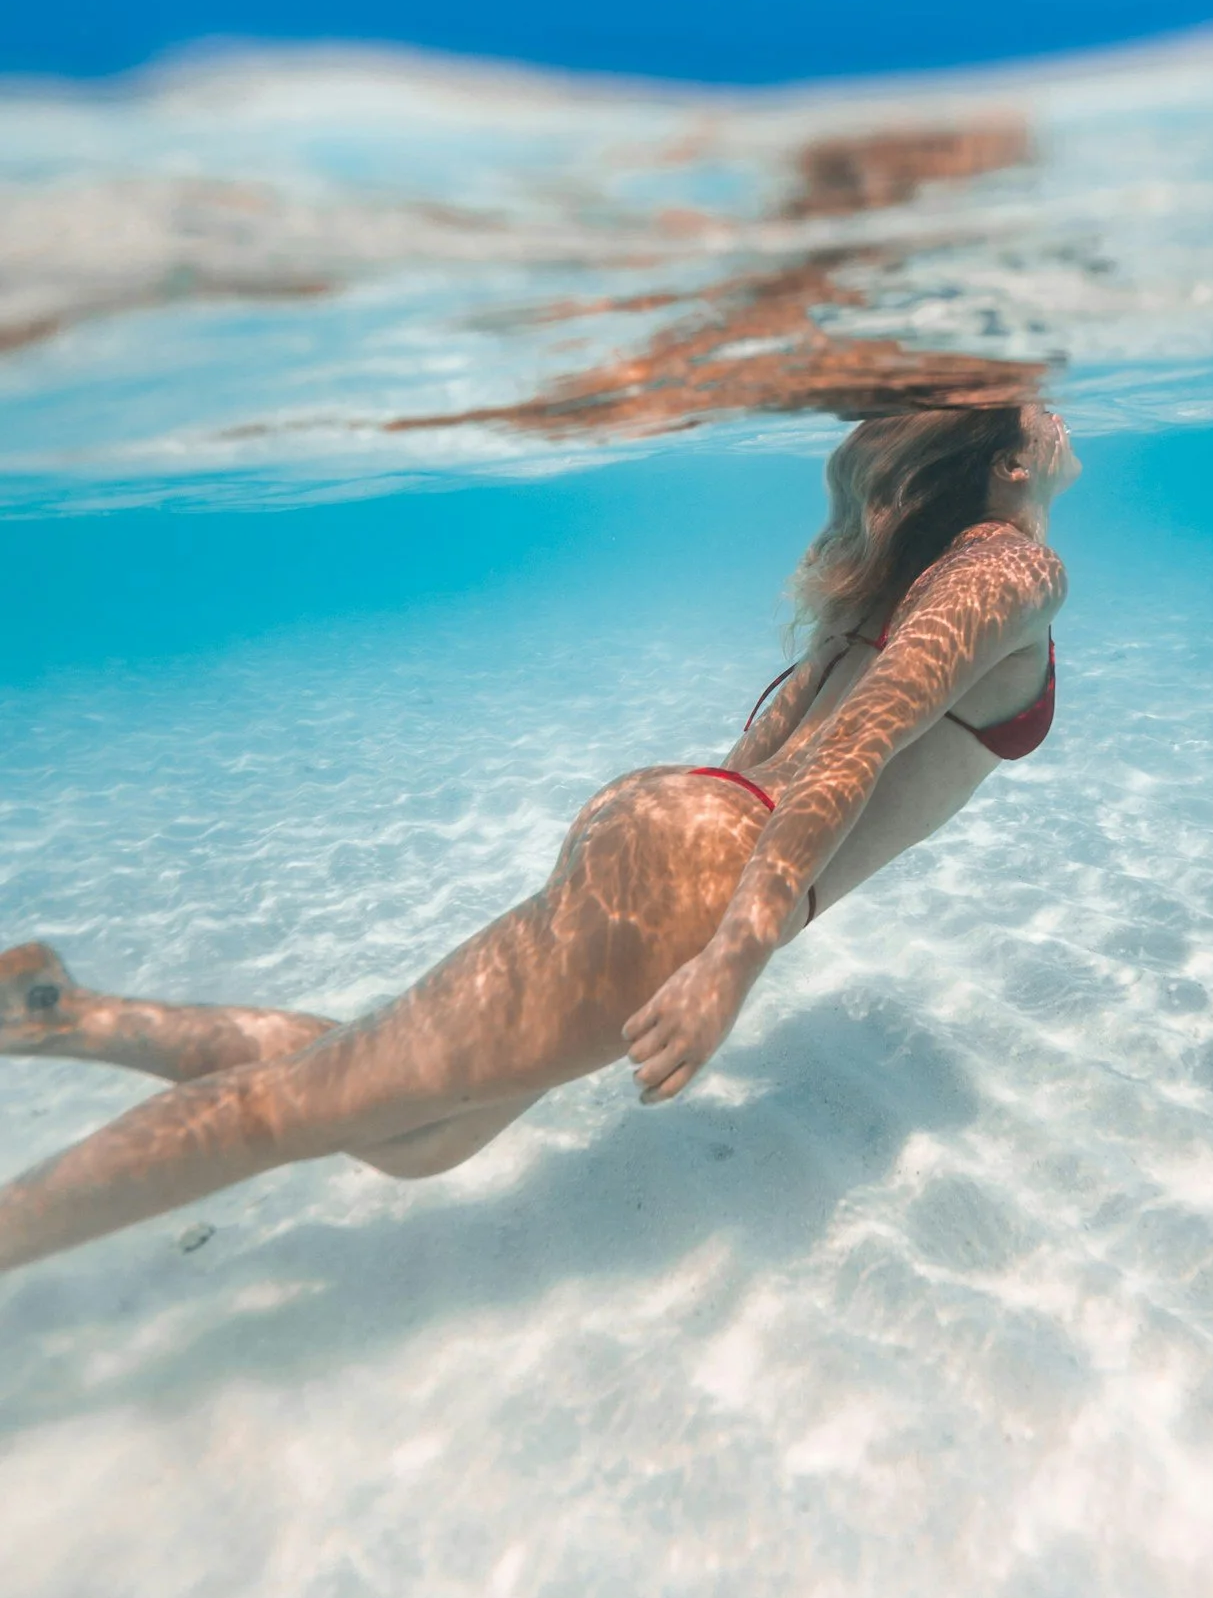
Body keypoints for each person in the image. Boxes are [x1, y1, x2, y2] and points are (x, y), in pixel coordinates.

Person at [0, 403, 1078, 1273]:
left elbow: (778, 738)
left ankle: (64, 1015)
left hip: (684, 829)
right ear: (1006, 466)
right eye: (1039, 413)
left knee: (411, 1136)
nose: (1059, 420)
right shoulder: (1010, 572)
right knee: (292, 1109)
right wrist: (731, 957)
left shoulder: (919, 573)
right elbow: (856, 752)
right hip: (705, 876)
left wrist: (684, 854)